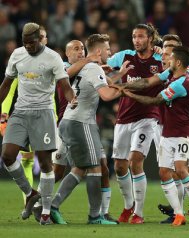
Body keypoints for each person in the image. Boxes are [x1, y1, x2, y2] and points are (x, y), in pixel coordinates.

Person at [116, 45, 189, 226]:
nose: (166, 60)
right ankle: (179, 214)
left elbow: (155, 100)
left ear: (178, 61)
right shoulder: (170, 74)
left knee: (182, 169)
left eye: (170, 57)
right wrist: (125, 85)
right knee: (164, 172)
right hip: (167, 132)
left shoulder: (182, 83)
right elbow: (147, 82)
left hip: (184, 133)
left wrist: (129, 94)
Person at [0, 22, 77, 225]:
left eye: (31, 43)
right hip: (21, 112)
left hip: (43, 113)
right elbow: (6, 85)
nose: (28, 46)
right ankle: (30, 193)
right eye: (25, 43)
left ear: (40, 39)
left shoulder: (53, 58)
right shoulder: (17, 55)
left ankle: (45, 210)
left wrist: (72, 98)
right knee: (7, 155)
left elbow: (65, 86)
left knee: (44, 164)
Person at [49, 34, 128, 225]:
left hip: (77, 122)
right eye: (108, 50)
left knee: (83, 168)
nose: (111, 53)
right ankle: (92, 216)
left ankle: (53, 206)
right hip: (79, 122)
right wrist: (128, 88)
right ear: (99, 51)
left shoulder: (89, 68)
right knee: (92, 168)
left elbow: (105, 83)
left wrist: (118, 77)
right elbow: (107, 95)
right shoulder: (90, 67)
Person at [107, 23, 163, 224]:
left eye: (141, 36)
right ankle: (128, 205)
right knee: (120, 167)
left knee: (135, 160)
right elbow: (102, 69)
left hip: (148, 116)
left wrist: (164, 49)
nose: (137, 40)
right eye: (134, 36)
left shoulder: (160, 58)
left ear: (150, 38)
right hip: (124, 117)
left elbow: (177, 63)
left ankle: (138, 213)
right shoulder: (124, 56)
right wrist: (113, 75)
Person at [0, 26, 48, 205]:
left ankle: (45, 202)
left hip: (48, 116)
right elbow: (9, 89)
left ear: (45, 40)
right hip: (25, 115)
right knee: (26, 159)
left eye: (42, 37)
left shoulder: (52, 60)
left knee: (47, 162)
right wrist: (4, 113)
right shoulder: (21, 60)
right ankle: (30, 200)